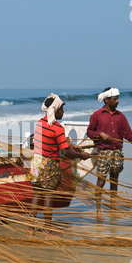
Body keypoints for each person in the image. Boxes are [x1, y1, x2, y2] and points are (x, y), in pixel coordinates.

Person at [29, 94, 91, 237]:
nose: (63, 112)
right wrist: (81, 155)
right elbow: (65, 152)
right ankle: (48, 230)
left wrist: (69, 144)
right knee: (48, 198)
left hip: (36, 163)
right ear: (56, 110)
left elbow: (50, 142)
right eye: (62, 109)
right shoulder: (57, 128)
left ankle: (30, 229)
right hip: (50, 164)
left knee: (36, 196)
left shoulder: (39, 123)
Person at [87, 87, 132, 222]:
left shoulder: (120, 116)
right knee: (101, 181)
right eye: (114, 99)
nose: (117, 101)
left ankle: (112, 208)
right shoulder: (96, 115)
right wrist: (100, 134)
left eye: (117, 98)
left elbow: (128, 135)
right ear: (106, 100)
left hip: (117, 152)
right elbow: (90, 132)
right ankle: (98, 211)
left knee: (114, 181)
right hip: (103, 152)